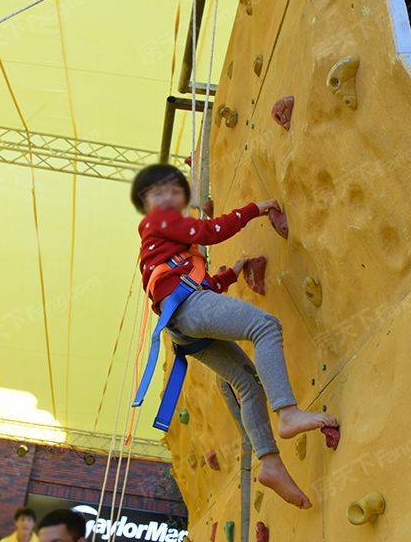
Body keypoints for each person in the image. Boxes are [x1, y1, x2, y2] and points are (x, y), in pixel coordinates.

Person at [130, 163, 338, 509]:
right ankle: (287, 412)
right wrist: (256, 208)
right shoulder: (158, 221)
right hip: (187, 310)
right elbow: (211, 230)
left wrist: (230, 274)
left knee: (245, 382)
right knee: (265, 326)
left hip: (182, 324)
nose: (168, 196)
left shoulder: (167, 246)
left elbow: (195, 285)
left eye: (174, 189)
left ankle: (269, 463)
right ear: (147, 202)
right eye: (158, 192)